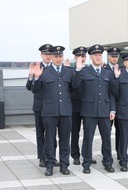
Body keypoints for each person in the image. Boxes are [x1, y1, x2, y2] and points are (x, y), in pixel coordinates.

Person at [31, 45, 74, 176]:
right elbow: (35, 90)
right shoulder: (44, 71)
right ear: (52, 57)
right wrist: (36, 77)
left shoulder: (69, 71)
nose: (58, 58)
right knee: (49, 140)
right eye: (55, 56)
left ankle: (64, 165)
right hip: (49, 112)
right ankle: (49, 165)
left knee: (65, 140)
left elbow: (74, 89)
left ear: (62, 57)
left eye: (60, 56)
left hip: (65, 111)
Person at [72, 44, 115, 173]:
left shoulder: (108, 72)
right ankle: (86, 163)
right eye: (95, 55)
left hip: (105, 110)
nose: (97, 57)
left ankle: (107, 162)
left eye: (99, 55)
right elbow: (75, 86)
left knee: (106, 138)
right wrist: (78, 70)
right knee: (88, 138)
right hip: (89, 111)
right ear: (90, 57)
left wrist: (112, 110)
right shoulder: (84, 71)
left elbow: (111, 93)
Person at [26, 44, 59, 168]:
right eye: (45, 54)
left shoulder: (56, 68)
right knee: (41, 133)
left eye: (49, 54)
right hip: (40, 106)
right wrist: (31, 75)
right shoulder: (37, 67)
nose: (48, 56)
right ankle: (42, 157)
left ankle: (52, 157)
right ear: (41, 55)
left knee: (52, 133)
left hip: (52, 107)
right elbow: (29, 87)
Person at [104, 47, 122, 160]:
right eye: (112, 56)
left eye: (116, 56)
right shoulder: (103, 69)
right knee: (106, 132)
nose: (114, 58)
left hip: (120, 105)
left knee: (120, 131)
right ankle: (107, 155)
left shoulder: (122, 69)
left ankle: (120, 153)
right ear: (108, 57)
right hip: (106, 105)